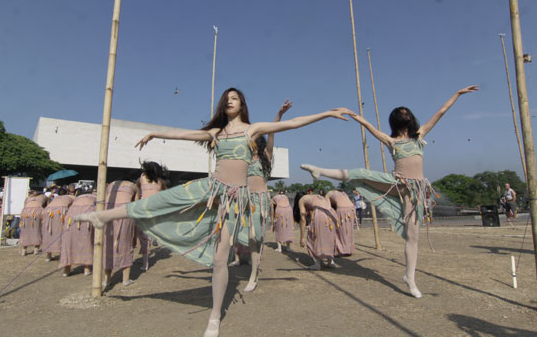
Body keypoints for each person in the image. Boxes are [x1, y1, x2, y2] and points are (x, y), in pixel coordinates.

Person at [74, 87, 351, 337]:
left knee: (221, 259)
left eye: (235, 98)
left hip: (235, 200)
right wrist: (155, 133)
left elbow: (292, 123)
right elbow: (183, 134)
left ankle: (215, 315)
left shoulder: (251, 131)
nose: (230, 102)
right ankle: (103, 217)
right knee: (163, 200)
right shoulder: (216, 133)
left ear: (242, 104)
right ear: (223, 106)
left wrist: (327, 113)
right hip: (211, 189)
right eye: (227, 99)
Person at [301, 85, 478, 298]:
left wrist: (457, 94)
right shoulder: (392, 142)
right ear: (396, 119)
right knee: (360, 173)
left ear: (410, 118)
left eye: (407, 112)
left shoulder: (419, 136)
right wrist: (352, 113)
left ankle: (409, 278)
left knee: (413, 237)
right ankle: (320, 170)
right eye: (401, 112)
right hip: (394, 183)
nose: (406, 114)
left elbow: (440, 112)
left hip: (413, 192)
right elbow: (368, 126)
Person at [237, 99, 292, 292]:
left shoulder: (266, 157)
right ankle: (241, 259)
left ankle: (254, 274)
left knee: (254, 237)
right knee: (236, 234)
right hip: (243, 200)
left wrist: (279, 114)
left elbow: (272, 131)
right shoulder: (244, 160)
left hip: (259, 201)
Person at [103, 180, 139, 287]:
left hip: (108, 211)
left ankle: (106, 279)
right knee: (125, 243)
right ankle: (125, 279)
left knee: (108, 245)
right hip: (124, 212)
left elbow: (105, 199)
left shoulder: (110, 185)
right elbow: (135, 205)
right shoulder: (134, 186)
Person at [136, 161, 168, 271]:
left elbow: (137, 187)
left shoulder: (142, 177)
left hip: (143, 207)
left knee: (144, 236)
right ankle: (155, 237)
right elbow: (165, 193)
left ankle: (145, 263)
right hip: (156, 207)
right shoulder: (161, 181)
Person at [295, 191, 339, 270]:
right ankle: (330, 261)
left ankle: (317, 263)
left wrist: (302, 238)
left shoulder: (301, 200)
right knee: (329, 238)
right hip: (332, 213)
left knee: (313, 237)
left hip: (320, 214)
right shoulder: (315, 196)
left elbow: (303, 219)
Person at [60, 191, 96, 277]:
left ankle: (67, 269)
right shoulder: (94, 197)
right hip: (87, 213)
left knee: (68, 241)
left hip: (72, 215)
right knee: (86, 240)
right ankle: (86, 268)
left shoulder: (75, 199)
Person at [41, 188, 74, 261]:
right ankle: (62, 254)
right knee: (62, 232)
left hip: (48, 211)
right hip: (60, 212)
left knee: (50, 233)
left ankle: (48, 255)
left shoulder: (56, 198)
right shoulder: (70, 197)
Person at [326, 190, 358, 256]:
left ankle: (342, 250)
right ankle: (349, 249)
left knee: (339, 230)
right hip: (352, 208)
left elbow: (328, 208)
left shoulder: (328, 194)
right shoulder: (343, 193)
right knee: (348, 230)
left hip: (342, 209)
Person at [19, 191, 47, 256]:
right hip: (37, 211)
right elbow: (46, 206)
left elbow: (24, 206)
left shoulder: (28, 198)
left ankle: (24, 250)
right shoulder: (44, 197)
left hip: (26, 212)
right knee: (36, 230)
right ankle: (35, 249)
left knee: (25, 230)